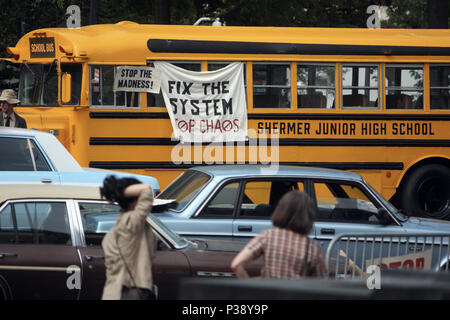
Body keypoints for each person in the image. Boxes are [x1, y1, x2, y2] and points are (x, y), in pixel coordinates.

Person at [231, 190, 327, 279]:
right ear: (308, 216)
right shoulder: (312, 247)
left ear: (281, 210)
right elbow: (320, 283)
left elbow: (236, 264)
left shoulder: (267, 236)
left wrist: (252, 289)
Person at [100, 175, 157, 300]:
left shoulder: (115, 230)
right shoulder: (131, 224)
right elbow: (146, 189)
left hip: (112, 293)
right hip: (130, 294)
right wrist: (118, 191)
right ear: (135, 201)